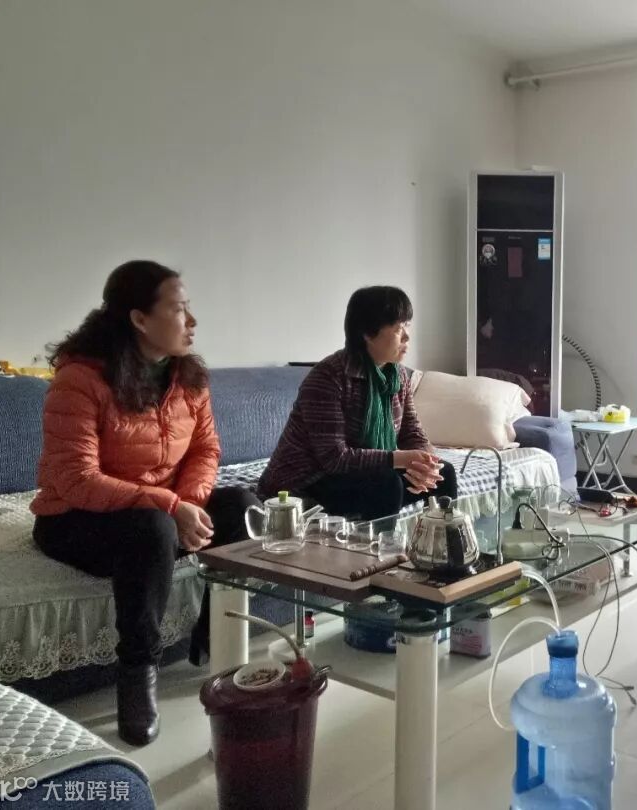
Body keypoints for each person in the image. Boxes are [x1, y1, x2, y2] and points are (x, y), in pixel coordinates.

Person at [30, 260, 258, 746]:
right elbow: (76, 480)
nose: (192, 321)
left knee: (242, 503)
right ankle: (137, 672)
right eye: (178, 309)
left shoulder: (188, 377)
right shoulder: (80, 379)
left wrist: (189, 504)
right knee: (152, 528)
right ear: (138, 318)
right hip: (76, 517)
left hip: (163, 509)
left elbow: (205, 450)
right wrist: (169, 507)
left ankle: (213, 633)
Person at [258, 285, 456, 519]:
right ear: (367, 334)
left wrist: (425, 462)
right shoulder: (328, 377)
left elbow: (411, 431)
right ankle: (381, 544)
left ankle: (438, 540)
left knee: (444, 473)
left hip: (359, 475)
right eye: (397, 328)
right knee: (386, 484)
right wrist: (400, 459)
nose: (406, 336)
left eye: (407, 326)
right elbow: (334, 458)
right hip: (307, 481)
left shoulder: (397, 376)